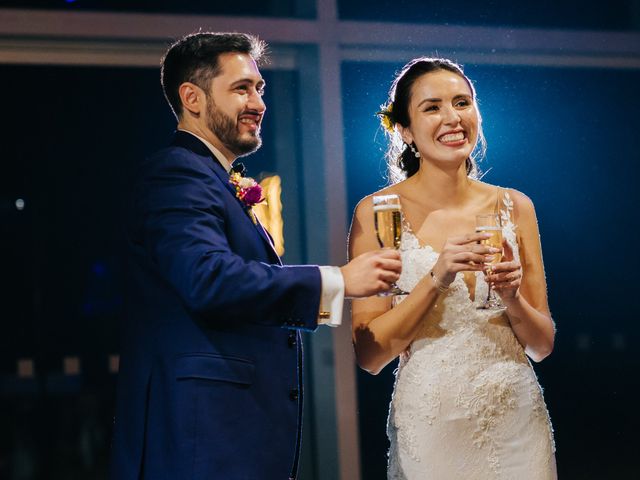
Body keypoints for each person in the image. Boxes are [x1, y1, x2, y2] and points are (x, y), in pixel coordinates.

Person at [109, 32, 402, 480]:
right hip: (199, 440)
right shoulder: (176, 172)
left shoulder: (210, 176)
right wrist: (337, 281)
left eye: (259, 89)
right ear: (192, 97)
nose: (259, 103)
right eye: (242, 88)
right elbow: (209, 279)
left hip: (223, 437)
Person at [348, 57, 557, 479]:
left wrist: (512, 298)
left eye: (462, 102)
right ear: (404, 130)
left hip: (516, 421)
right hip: (432, 424)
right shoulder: (379, 212)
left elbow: (542, 345)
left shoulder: (515, 207)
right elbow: (370, 355)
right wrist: (436, 278)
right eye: (432, 107)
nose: (452, 117)